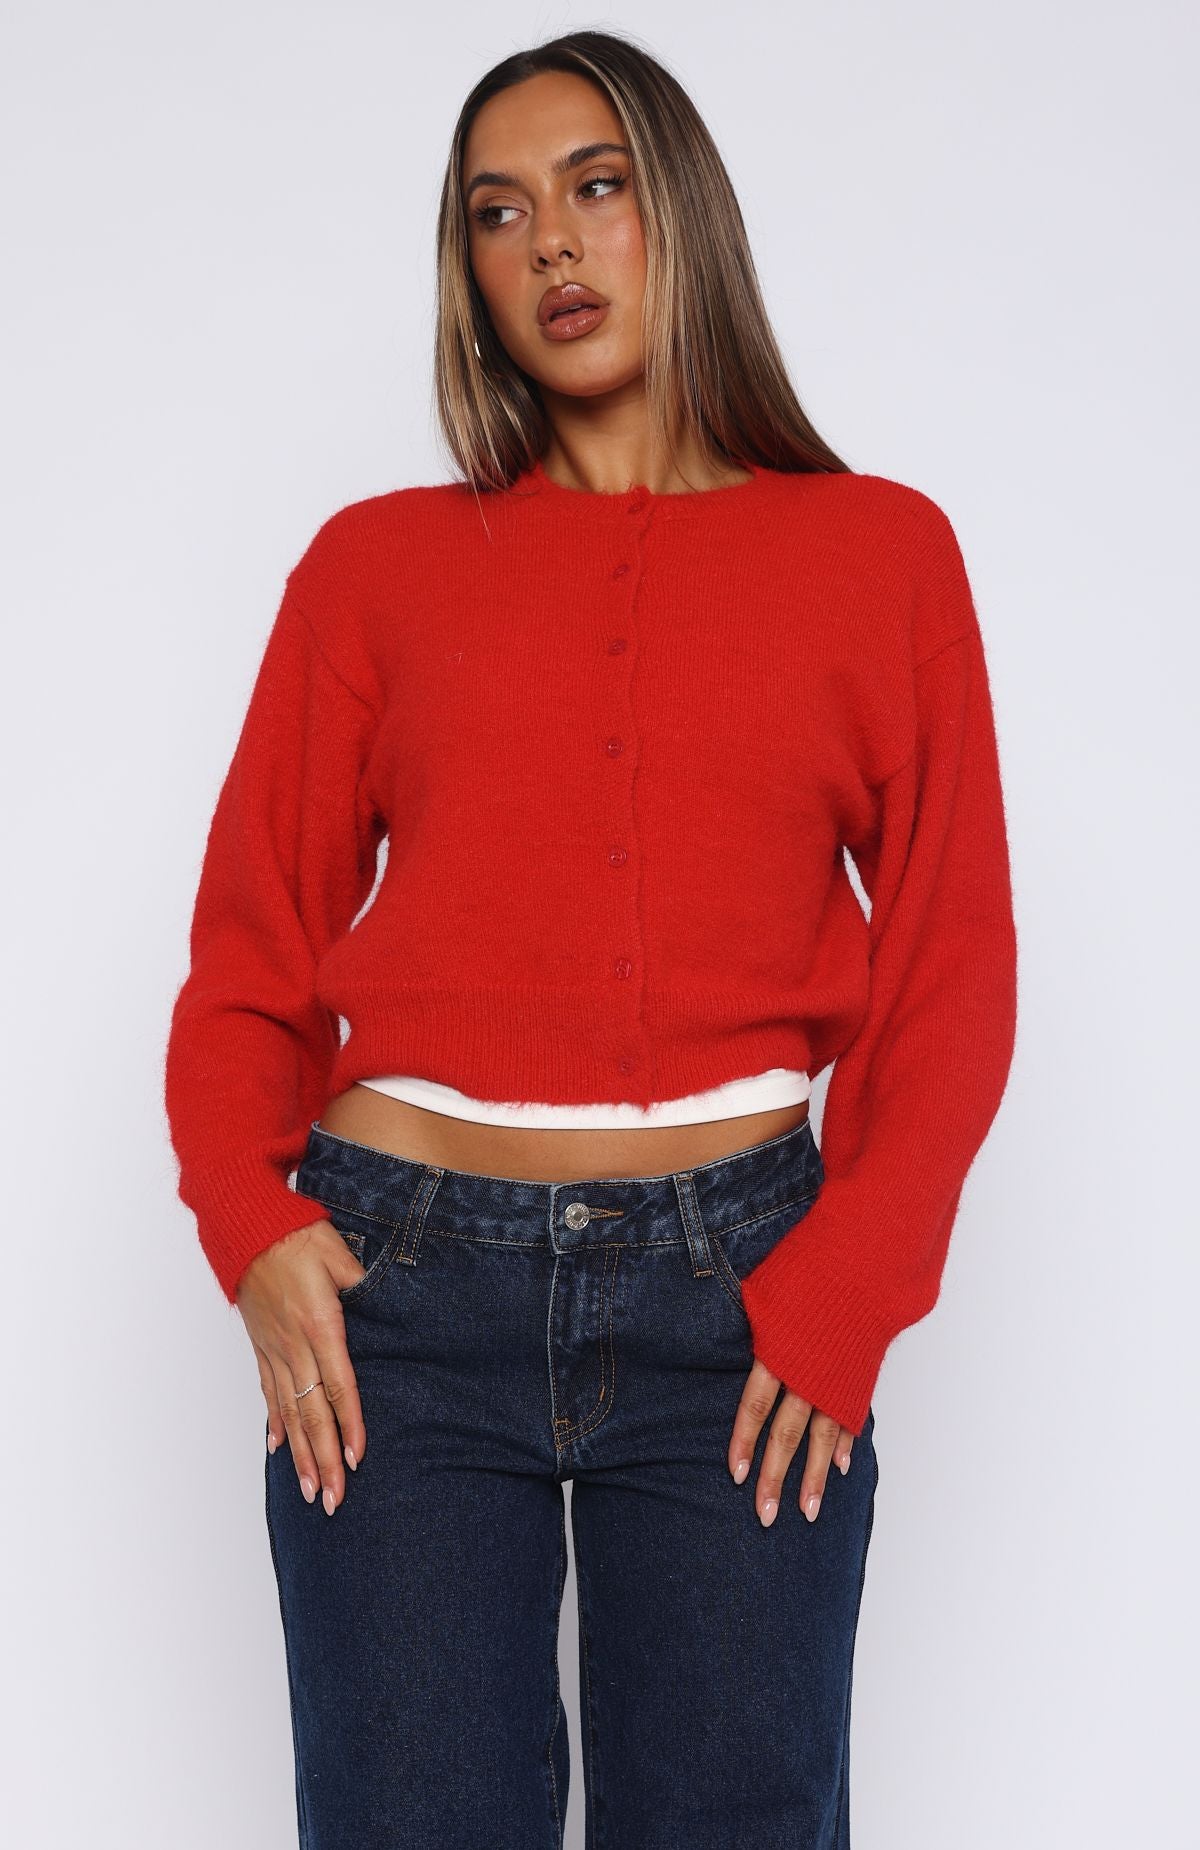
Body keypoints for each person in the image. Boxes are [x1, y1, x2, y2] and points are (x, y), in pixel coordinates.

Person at [163, 28, 1018, 1850]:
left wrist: (849, 1284)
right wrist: (252, 1221)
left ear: (679, 209)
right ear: (469, 276)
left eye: (595, 186)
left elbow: (952, 964)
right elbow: (247, 952)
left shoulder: (882, 557)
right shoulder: (374, 570)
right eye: (498, 213)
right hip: (399, 1302)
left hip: (746, 1303)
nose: (550, 241)